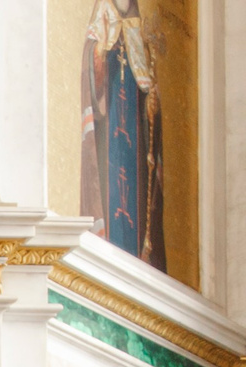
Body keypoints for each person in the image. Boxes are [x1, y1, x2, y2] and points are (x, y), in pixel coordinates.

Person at [79, 0, 165, 269]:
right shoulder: (102, 18)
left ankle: (140, 248)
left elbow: (148, 82)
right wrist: (100, 55)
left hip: (134, 132)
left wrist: (153, 99)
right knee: (112, 180)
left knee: (135, 183)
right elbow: (91, 72)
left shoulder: (140, 27)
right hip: (110, 124)